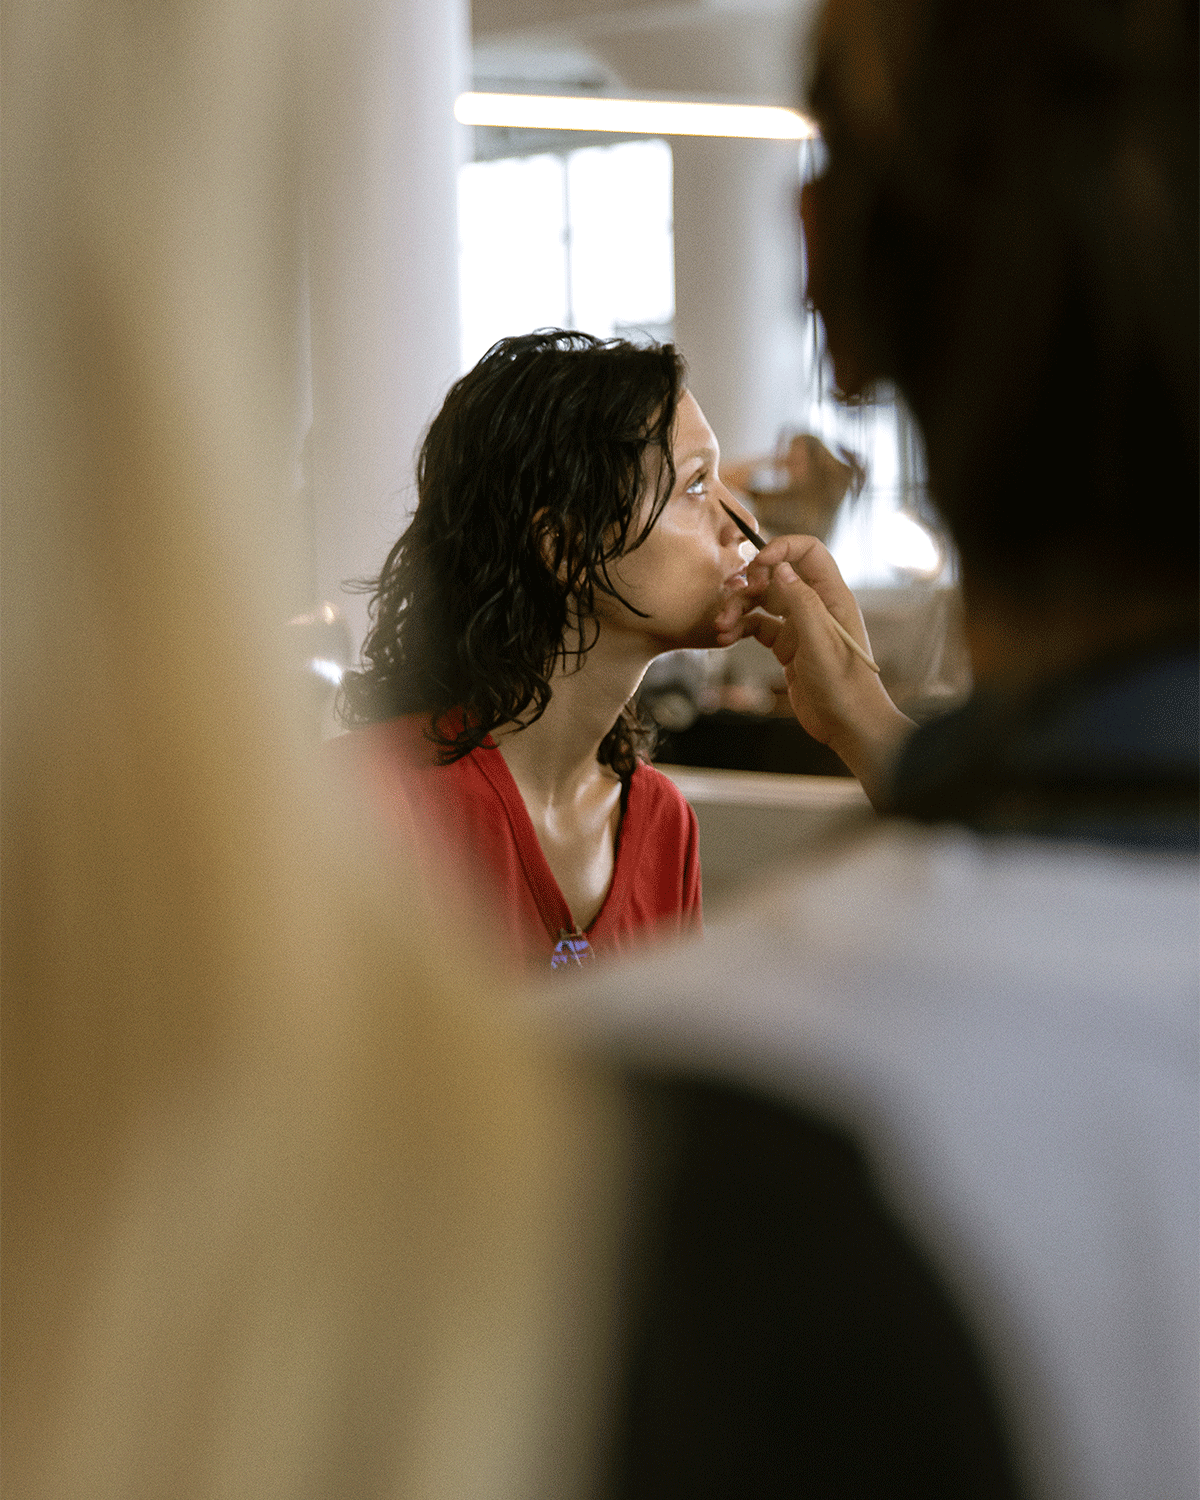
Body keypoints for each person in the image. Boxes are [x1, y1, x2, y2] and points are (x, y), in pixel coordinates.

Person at [560, 0, 1198, 1497]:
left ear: (828, 263)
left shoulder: (633, 1145)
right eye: (689, 483)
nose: (723, 518)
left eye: (723, 479)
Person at [331, 330, 811, 972]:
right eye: (697, 486)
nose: (742, 524)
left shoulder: (664, 822)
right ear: (564, 548)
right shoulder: (371, 802)